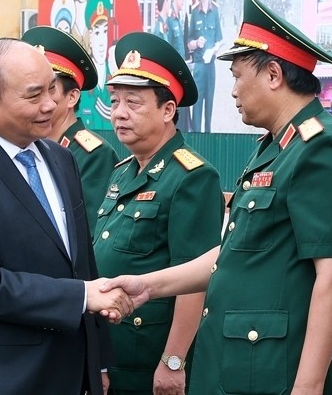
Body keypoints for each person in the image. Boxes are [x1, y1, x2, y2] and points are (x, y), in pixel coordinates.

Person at [101, 0, 332, 394]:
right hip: (238, 365)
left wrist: (309, 388)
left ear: (274, 75)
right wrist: (150, 286)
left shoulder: (320, 148)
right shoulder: (274, 148)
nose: (233, 91)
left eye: (239, 76)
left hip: (274, 372)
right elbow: (231, 252)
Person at [0, 38, 133, 394]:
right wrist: (80, 296)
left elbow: (80, 264)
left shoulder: (59, 158)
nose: (50, 104)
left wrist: (97, 360)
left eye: (53, 89)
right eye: (33, 96)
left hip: (66, 370)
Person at [94, 32, 224, 394]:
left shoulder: (192, 178)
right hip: (112, 350)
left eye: (133, 102)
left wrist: (173, 360)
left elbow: (196, 280)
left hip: (150, 360)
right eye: (115, 100)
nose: (119, 112)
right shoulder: (123, 171)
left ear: (168, 111)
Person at [22, 25, 119, 239]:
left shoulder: (93, 155)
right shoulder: (29, 149)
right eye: (33, 89)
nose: (40, 98)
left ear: (72, 97)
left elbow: (90, 234)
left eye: (50, 88)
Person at [188, 0, 222, 132]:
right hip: (199, 66)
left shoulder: (215, 11)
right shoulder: (195, 12)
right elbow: (189, 42)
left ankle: (208, 133)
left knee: (209, 103)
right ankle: (196, 135)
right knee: (197, 105)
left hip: (210, 66)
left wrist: (214, 49)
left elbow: (219, 39)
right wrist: (196, 43)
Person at [80, 0, 114, 131]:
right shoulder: (82, 83)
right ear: (90, 38)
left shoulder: (114, 79)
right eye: (97, 33)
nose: (101, 42)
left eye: (105, 32)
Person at [167, 0, 194, 133]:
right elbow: (167, 49)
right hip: (173, 79)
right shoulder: (169, 20)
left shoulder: (179, 19)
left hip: (182, 75)